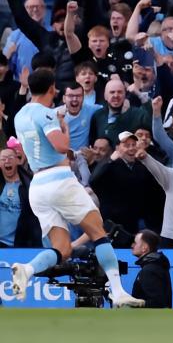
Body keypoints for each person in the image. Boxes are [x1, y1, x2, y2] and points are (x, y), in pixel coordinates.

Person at [10, 69, 144, 307]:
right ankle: (117, 292)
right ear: (52, 88)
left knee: (63, 248)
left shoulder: (20, 115)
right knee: (98, 231)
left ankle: (27, 270)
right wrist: (63, 126)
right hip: (59, 179)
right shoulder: (46, 113)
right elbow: (61, 146)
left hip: (37, 186)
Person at [131, 229, 172, 308]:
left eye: (135, 243)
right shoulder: (156, 266)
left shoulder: (149, 270)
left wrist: (134, 303)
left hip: (149, 316)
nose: (132, 246)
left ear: (144, 248)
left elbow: (157, 303)